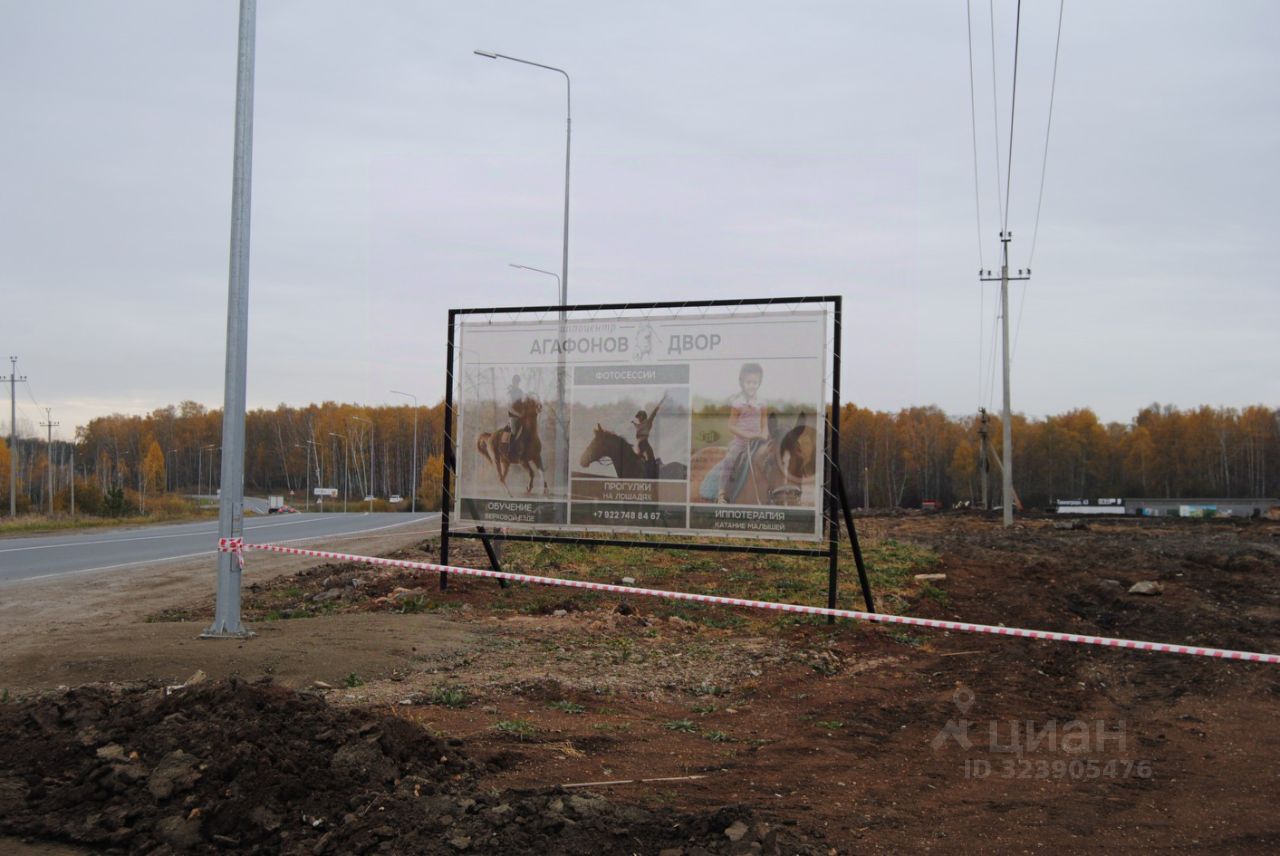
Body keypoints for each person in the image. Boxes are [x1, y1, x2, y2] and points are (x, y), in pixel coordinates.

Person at [716, 363, 767, 503]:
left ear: (759, 383)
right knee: (729, 460)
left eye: (755, 382)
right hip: (741, 443)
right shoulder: (738, 403)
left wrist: (764, 435)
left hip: (758, 441)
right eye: (748, 382)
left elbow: (764, 425)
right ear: (742, 383)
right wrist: (747, 435)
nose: (752, 385)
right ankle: (722, 493)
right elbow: (731, 426)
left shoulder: (762, 403)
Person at [631, 393, 667, 478]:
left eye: (639, 417)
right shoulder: (639, 425)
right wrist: (633, 423)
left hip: (644, 444)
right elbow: (637, 426)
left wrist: (662, 400)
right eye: (637, 418)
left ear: (642, 416)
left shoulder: (648, 422)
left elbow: (654, 412)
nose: (638, 419)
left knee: (648, 461)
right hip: (639, 445)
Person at [506, 374, 525, 458]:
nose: (517, 383)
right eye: (516, 381)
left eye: (518, 382)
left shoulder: (521, 392)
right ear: (513, 382)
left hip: (522, 416)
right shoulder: (510, 393)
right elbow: (509, 407)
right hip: (513, 416)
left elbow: (523, 403)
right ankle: (510, 450)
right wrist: (518, 414)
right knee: (513, 431)